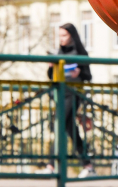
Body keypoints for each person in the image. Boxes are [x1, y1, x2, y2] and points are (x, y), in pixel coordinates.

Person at [37, 23, 95, 178]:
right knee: (70, 129)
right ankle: (88, 165)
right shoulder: (58, 52)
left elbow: (88, 76)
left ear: (72, 36)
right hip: (61, 94)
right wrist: (50, 67)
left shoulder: (81, 53)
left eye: (64, 35)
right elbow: (51, 76)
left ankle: (50, 165)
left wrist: (79, 73)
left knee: (59, 124)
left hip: (74, 94)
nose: (61, 39)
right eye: (60, 35)